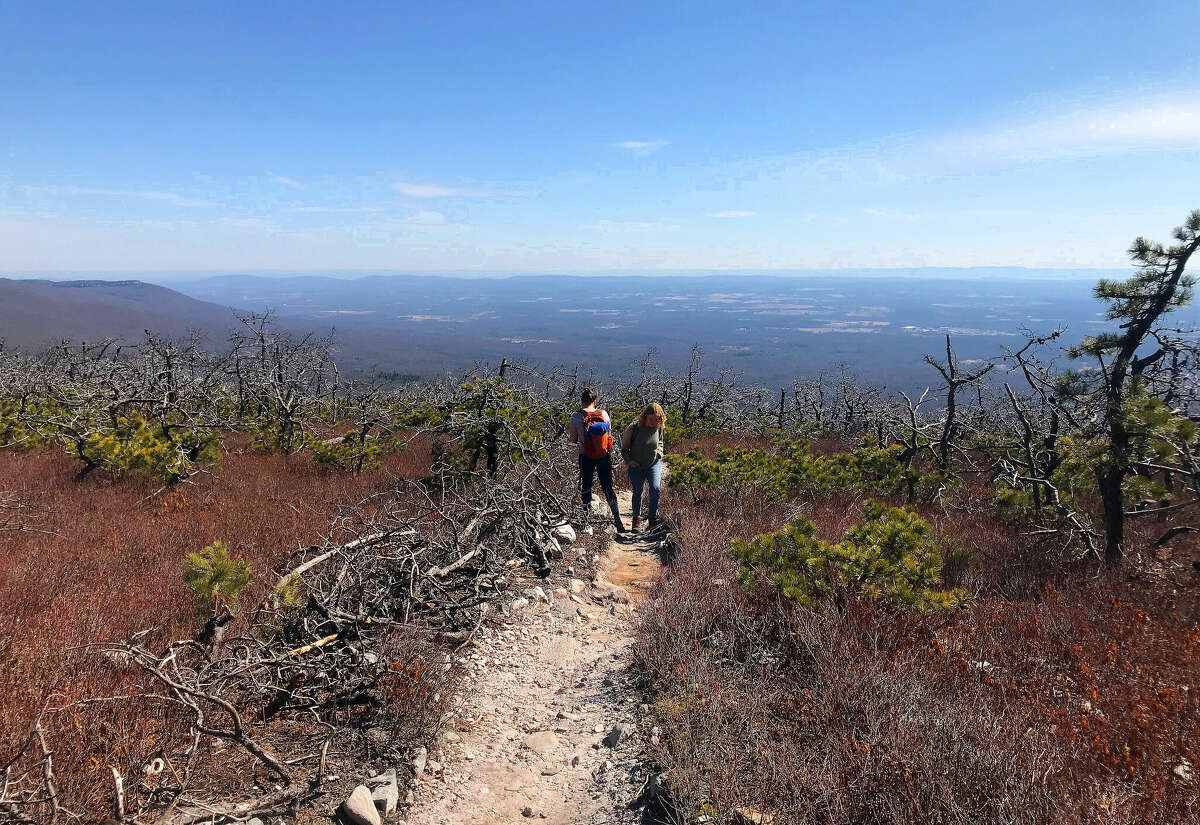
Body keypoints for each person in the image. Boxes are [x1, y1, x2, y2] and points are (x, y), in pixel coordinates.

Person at [569, 388, 626, 533]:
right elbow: (609, 435)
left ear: (582, 401)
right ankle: (617, 519)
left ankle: (586, 522)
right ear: (595, 401)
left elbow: (573, 439)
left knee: (586, 486)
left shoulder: (576, 416)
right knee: (607, 487)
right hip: (603, 456)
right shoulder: (604, 414)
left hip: (585, 456)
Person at [621, 403, 665, 532]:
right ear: (645, 416)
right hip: (637, 466)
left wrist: (659, 452)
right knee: (637, 492)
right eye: (651, 419)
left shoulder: (659, 427)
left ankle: (652, 519)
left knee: (655, 489)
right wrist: (629, 461)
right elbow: (624, 449)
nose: (654, 422)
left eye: (657, 419)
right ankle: (636, 520)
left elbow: (661, 442)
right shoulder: (634, 428)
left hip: (653, 464)